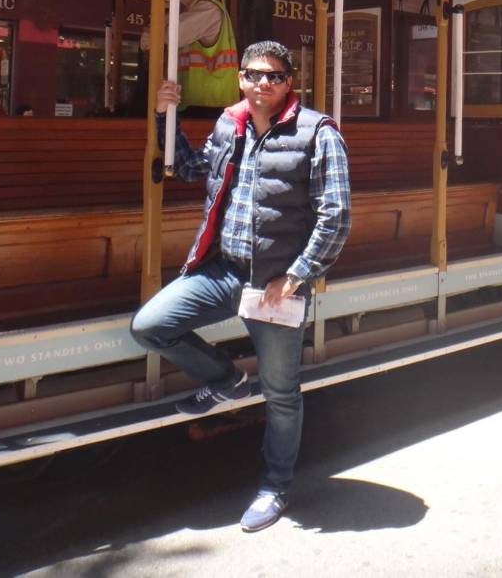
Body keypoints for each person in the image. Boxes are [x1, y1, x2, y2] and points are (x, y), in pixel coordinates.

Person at [130, 40, 350, 533]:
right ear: (241, 80)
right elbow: (190, 169)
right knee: (150, 325)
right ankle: (225, 381)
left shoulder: (319, 133)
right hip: (224, 270)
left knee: (281, 393)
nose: (263, 83)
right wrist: (166, 115)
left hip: (275, 284)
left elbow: (335, 215)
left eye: (274, 76)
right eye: (254, 74)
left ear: (289, 82)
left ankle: (275, 487)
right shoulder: (230, 124)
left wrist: (296, 276)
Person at [140, 0, 239, 113]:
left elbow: (173, 36)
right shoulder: (193, 11)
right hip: (197, 106)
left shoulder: (208, 9)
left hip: (209, 108)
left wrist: (160, 20)